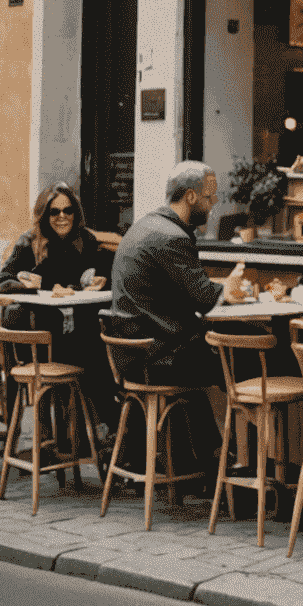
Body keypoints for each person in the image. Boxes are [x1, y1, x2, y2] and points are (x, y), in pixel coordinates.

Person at [107, 162, 240, 470]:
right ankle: (248, 463)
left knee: (227, 355)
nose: (214, 204)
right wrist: (228, 288)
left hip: (134, 353)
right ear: (191, 197)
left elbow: (186, 294)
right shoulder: (171, 237)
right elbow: (206, 300)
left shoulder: (144, 226)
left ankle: (212, 459)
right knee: (250, 359)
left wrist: (219, 291)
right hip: (156, 358)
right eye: (210, 197)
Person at [0, 183, 119, 430]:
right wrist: (31, 285)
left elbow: (103, 274)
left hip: (70, 330)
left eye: (68, 210)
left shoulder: (85, 241)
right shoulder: (30, 243)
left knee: (93, 348)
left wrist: (101, 281)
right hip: (37, 337)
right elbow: (1, 284)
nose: (62, 217)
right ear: (44, 214)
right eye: (54, 212)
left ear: (76, 213)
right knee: (91, 353)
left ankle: (90, 432)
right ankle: (106, 426)